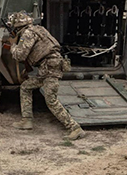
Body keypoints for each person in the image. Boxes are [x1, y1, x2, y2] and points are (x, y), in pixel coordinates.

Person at [8, 11, 85, 140]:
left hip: (49, 68)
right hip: (48, 67)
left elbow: (20, 55)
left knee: (51, 100)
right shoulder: (39, 29)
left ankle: (75, 128)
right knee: (26, 87)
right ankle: (27, 120)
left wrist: (13, 45)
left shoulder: (27, 33)